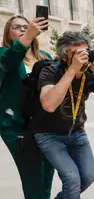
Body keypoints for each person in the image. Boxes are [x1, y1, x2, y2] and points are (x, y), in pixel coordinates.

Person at [31, 31, 94, 198]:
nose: (83, 58)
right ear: (65, 57)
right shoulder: (50, 71)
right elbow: (48, 105)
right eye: (77, 54)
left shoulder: (90, 75)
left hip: (77, 133)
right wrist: (72, 71)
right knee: (71, 179)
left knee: (88, 177)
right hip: (49, 135)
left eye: (85, 52)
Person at [0, 15, 55, 199]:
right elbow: (8, 63)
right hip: (16, 127)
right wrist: (27, 37)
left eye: (26, 26)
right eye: (17, 27)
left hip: (45, 127)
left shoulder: (45, 57)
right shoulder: (4, 55)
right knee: (32, 177)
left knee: (47, 174)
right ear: (8, 32)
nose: (23, 29)